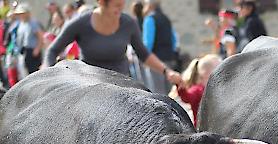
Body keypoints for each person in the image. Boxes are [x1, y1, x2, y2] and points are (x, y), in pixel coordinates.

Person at [44, 0, 182, 88]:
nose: (119, 11)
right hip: (90, 84)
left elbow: (144, 54)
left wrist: (167, 71)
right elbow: (52, 51)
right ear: (102, 3)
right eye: (116, 6)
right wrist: (51, 75)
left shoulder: (128, 23)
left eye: (121, 6)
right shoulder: (81, 23)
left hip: (121, 84)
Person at [173, 54, 221, 126]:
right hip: (202, 129)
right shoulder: (198, 90)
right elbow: (187, 97)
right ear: (208, 74)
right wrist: (181, 87)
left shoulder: (217, 89)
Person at [141, 0, 176, 93]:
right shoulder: (166, 19)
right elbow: (174, 39)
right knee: (169, 93)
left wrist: (145, 59)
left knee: (157, 92)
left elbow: (148, 42)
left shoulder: (150, 19)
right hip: (169, 58)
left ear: (149, 6)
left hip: (155, 61)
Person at [13, 3, 44, 75]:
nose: (21, 15)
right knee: (25, 72)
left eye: (22, 13)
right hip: (24, 51)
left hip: (32, 51)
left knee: (34, 73)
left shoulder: (33, 23)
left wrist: (37, 49)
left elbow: (40, 36)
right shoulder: (21, 23)